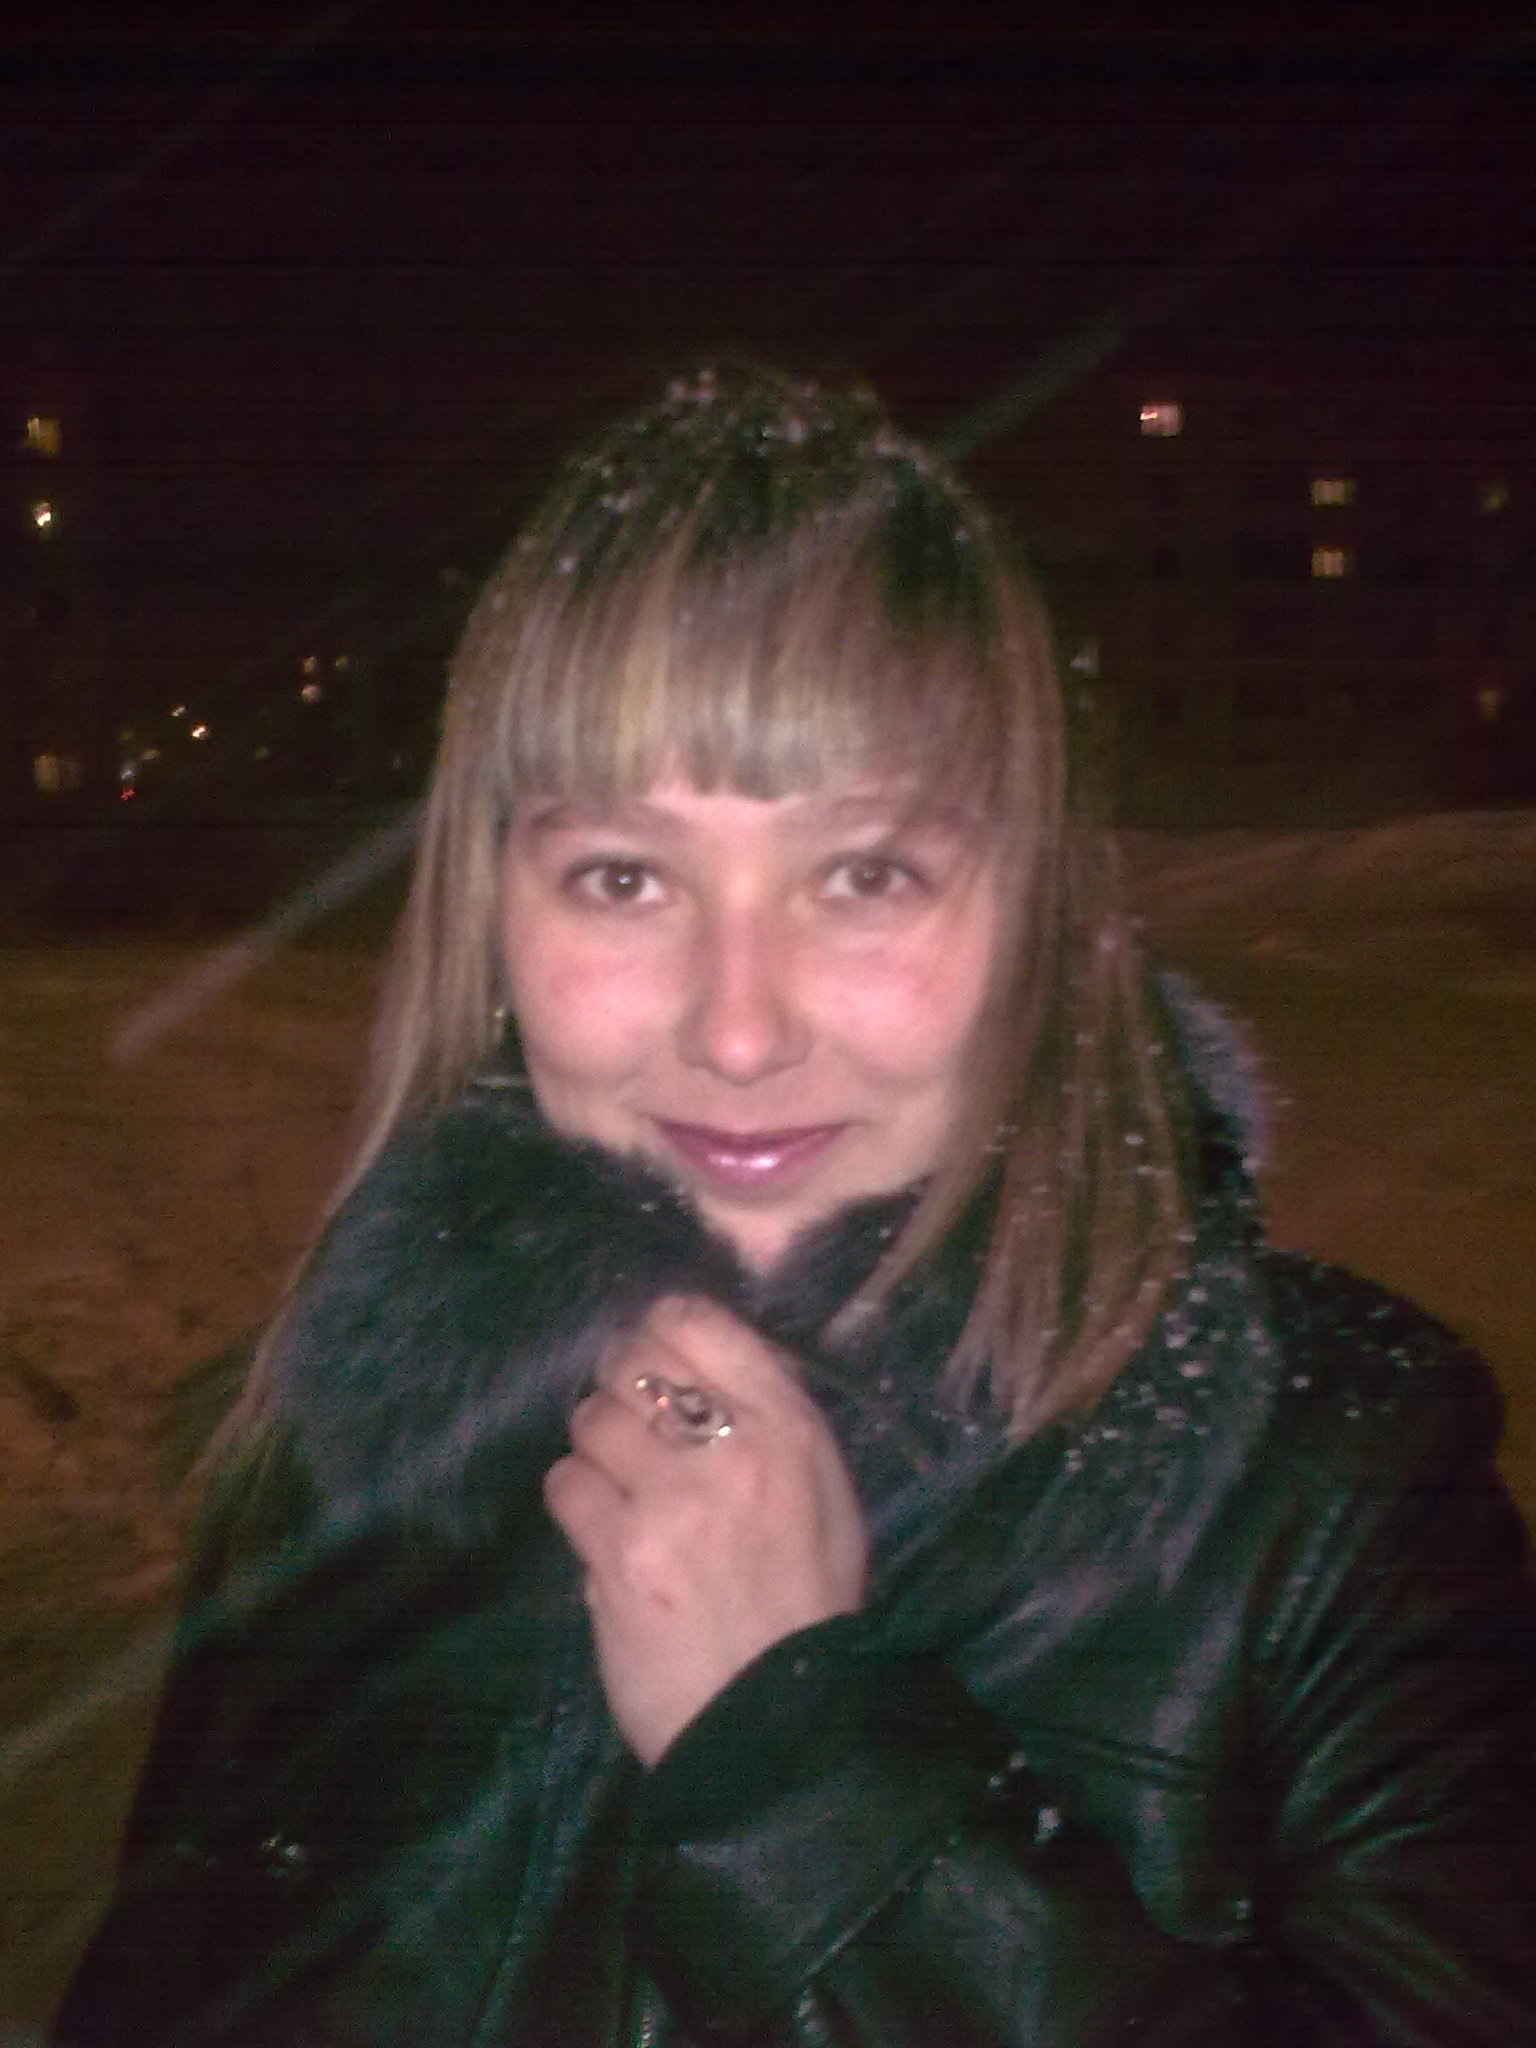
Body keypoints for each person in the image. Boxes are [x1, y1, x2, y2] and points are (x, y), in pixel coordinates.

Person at [53, 365, 1536, 2047]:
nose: (739, 1030)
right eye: (624, 877)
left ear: (1037, 915)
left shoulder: (1330, 1484)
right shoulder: (332, 1459)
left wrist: (801, 1764)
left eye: (866, 874)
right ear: (494, 917)